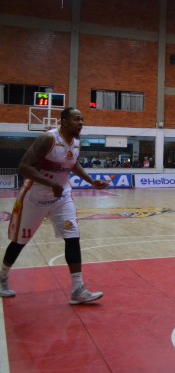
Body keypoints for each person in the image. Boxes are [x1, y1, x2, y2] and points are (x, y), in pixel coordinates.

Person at [0, 107, 107, 304]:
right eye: (77, 119)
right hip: (35, 196)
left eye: (82, 119)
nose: (81, 123)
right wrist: (51, 184)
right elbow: (24, 167)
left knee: (72, 236)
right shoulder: (47, 139)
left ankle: (77, 289)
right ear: (64, 122)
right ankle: (2, 277)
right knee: (20, 241)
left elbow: (73, 164)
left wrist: (91, 181)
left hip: (62, 196)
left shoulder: (76, 142)